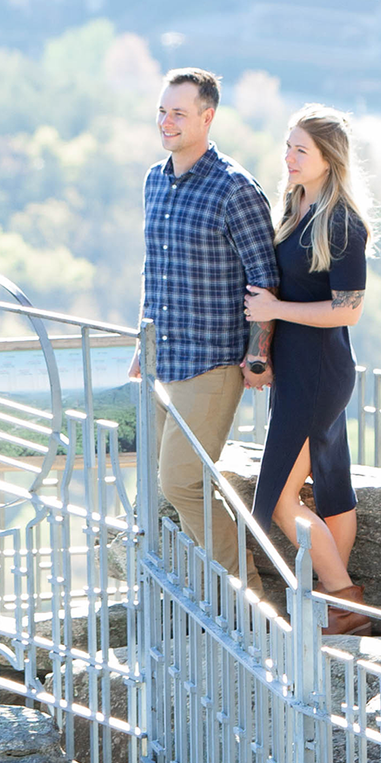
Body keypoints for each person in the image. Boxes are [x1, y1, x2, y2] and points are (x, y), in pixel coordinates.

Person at [126, 67, 276, 580]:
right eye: (163, 111)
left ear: (207, 117)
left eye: (179, 113)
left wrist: (258, 355)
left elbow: (264, 278)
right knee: (158, 479)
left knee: (183, 482)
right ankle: (197, 593)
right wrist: (140, 342)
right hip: (160, 358)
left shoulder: (235, 188)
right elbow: (155, 268)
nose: (167, 122)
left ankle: (251, 605)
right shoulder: (154, 179)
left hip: (212, 361)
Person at [243, 104, 375, 637]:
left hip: (319, 370)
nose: (289, 157)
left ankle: (344, 606)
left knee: (276, 498)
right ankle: (334, 606)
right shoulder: (294, 205)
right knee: (333, 487)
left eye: (302, 149)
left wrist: (276, 313)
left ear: (328, 159)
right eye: (288, 146)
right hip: (302, 368)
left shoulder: (341, 222)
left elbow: (350, 309)